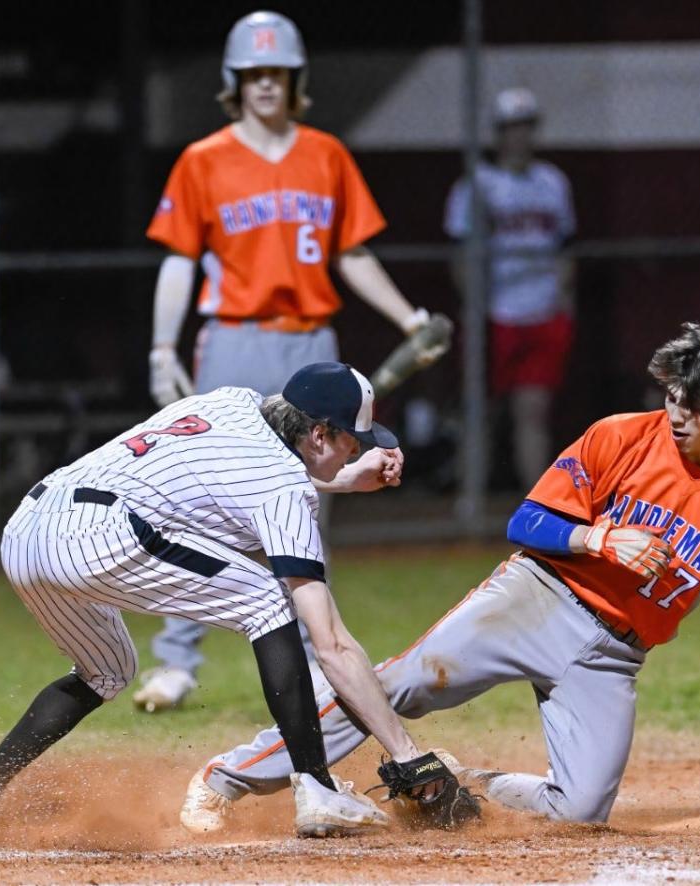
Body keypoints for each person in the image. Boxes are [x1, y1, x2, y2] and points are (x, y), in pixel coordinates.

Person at [178, 322, 700, 830]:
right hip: (539, 597)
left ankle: (460, 778)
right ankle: (230, 776)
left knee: (583, 811)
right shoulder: (622, 435)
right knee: (399, 686)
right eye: (674, 394)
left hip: (614, 656)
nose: (676, 412)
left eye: (695, 404)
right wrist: (599, 537)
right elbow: (526, 522)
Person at [0, 362, 463, 837]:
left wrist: (344, 478)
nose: (362, 449)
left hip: (27, 531)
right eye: (354, 440)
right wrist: (405, 752)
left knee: (107, 672)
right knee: (269, 606)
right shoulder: (286, 492)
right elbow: (331, 646)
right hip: (98, 536)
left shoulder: (232, 400)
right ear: (320, 433)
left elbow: (244, 468)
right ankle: (317, 786)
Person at [137, 10, 442, 712]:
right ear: (234, 82)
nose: (266, 85)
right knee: (204, 497)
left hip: (311, 345)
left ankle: (313, 652)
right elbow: (180, 262)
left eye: (277, 73)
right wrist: (162, 345)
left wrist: (406, 318)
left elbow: (353, 253)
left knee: (308, 498)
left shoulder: (325, 154)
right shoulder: (203, 159)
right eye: (253, 74)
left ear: (295, 79)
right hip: (234, 335)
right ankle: (177, 661)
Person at [444, 86, 577, 489]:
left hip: (541, 310)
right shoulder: (477, 185)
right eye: (509, 127)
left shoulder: (553, 182)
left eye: (525, 126)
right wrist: (475, 307)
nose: (518, 136)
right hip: (496, 313)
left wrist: (564, 303)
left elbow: (565, 248)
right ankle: (469, 505)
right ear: (497, 134)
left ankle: (538, 505)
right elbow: (460, 255)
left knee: (532, 412)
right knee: (482, 413)